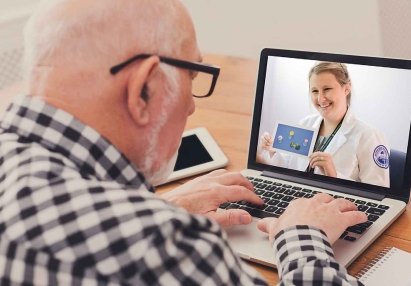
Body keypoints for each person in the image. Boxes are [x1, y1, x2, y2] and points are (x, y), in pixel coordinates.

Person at [0, 0, 367, 285]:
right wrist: (301, 235)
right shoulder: (162, 245)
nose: (192, 104)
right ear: (143, 89)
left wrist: (152, 207)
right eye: (193, 76)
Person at [258, 62, 390, 187]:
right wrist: (273, 152)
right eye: (315, 91)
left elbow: (378, 192)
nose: (321, 99)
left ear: (347, 89)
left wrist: (334, 175)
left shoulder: (369, 136)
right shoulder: (305, 123)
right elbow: (291, 167)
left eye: (327, 89)